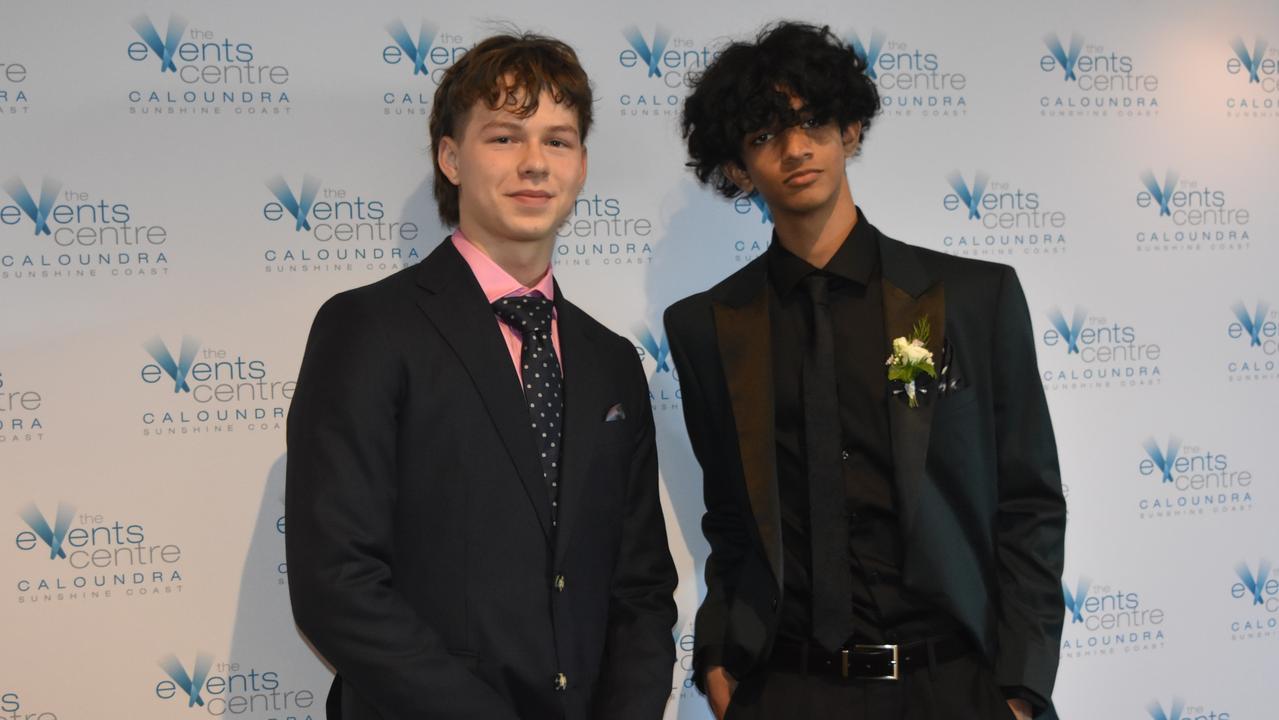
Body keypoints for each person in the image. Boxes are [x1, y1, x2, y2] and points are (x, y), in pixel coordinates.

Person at [664, 22, 1065, 720]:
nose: (794, 150)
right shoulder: (706, 326)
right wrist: (720, 657)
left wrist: (1020, 688)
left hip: (953, 683)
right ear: (736, 167)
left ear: (849, 129)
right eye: (763, 135)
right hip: (784, 685)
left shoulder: (967, 298)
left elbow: (1028, 503)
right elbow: (730, 517)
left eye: (812, 122)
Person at [286, 32, 678, 720]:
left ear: (582, 165)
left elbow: (640, 586)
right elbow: (337, 583)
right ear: (450, 157)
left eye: (557, 141)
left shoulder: (611, 359)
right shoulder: (370, 329)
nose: (534, 163)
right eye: (504, 137)